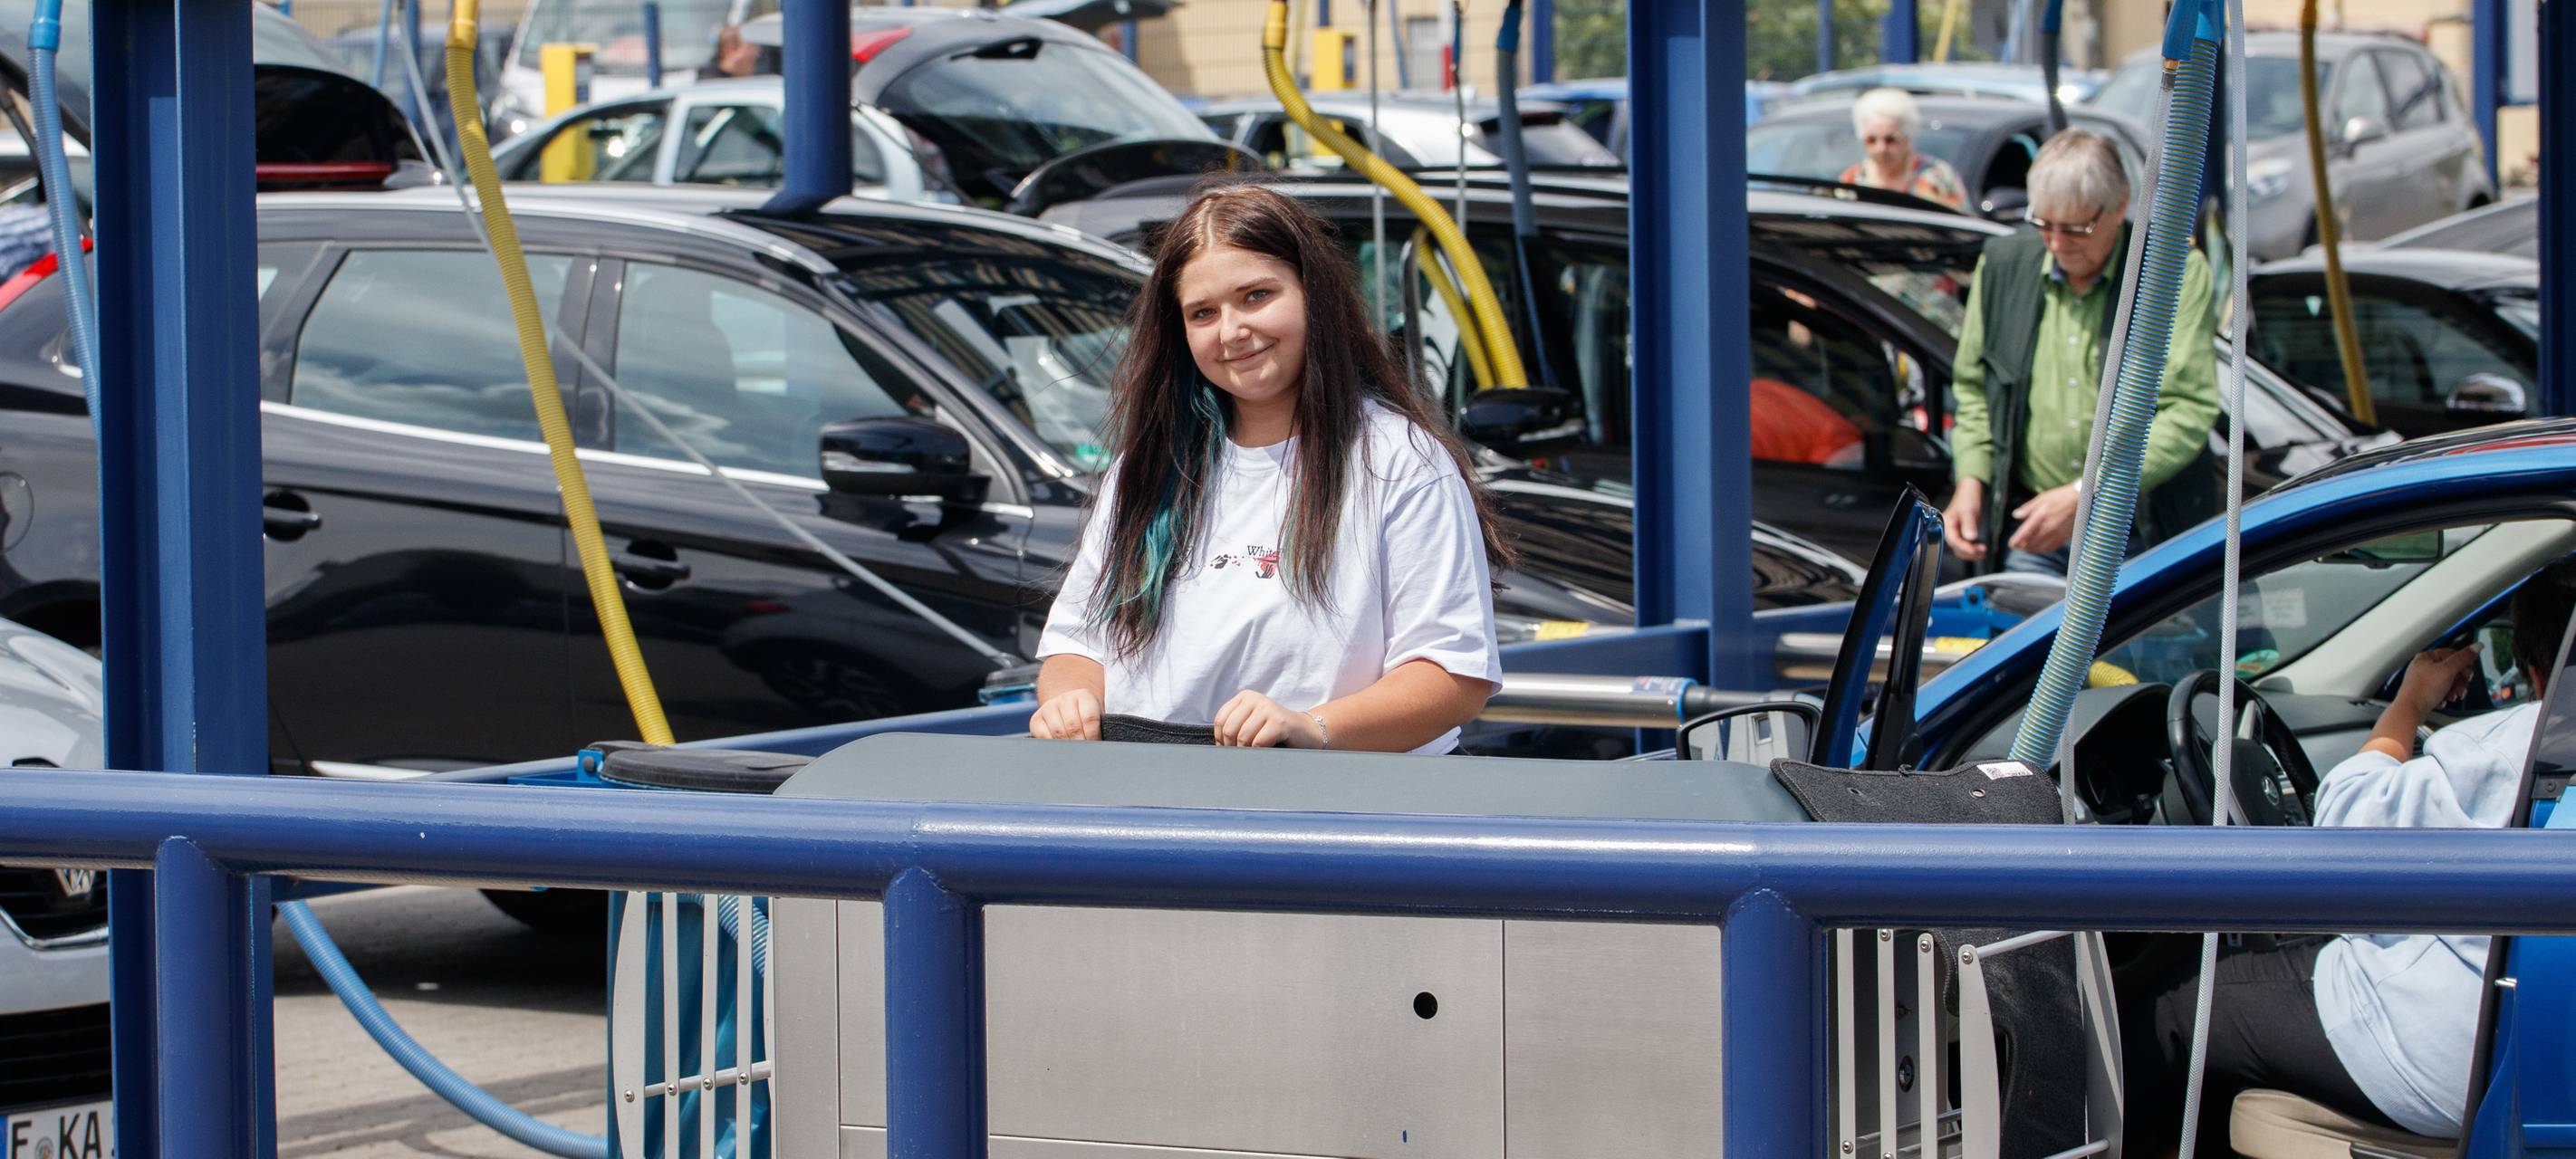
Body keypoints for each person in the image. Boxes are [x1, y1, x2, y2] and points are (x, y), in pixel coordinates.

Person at [1025, 185, 1508, 752]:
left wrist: (1312, 728)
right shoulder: (1150, 468)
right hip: (1157, 794)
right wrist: (1070, 701)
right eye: (1203, 313)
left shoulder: (1400, 461)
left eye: (1256, 296)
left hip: (1334, 799)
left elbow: (1453, 674)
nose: (1231, 331)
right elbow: (1077, 644)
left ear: (1314, 296)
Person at [2119, 566, 2576, 1155]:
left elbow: (2344, 836)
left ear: (2537, 674)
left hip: (2471, 1055)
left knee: (2171, 1011)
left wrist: (2410, 703)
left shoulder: (2519, 746)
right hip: (2541, 1042)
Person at [1942, 129, 2221, 577]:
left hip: (2139, 529)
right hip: (2033, 524)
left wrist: (2085, 493)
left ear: (2120, 205)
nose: (2056, 244)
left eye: (2075, 229)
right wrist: (1972, 480)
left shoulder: (2171, 270)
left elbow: (2188, 408)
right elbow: (1975, 390)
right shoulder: (2003, 264)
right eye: (2043, 224)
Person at [1839, 89, 1970, 211]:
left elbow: (1961, 221)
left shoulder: (1938, 178)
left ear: (1907, 138)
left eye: (1890, 140)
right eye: (1871, 140)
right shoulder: (1852, 180)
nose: (1881, 149)